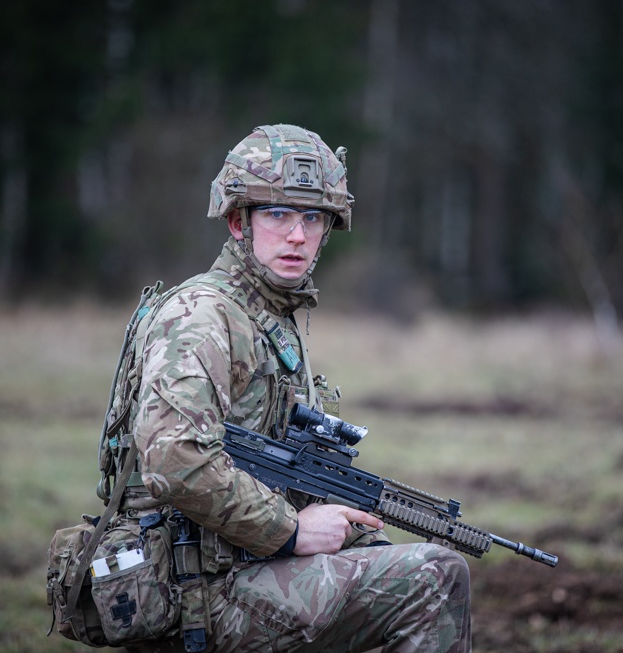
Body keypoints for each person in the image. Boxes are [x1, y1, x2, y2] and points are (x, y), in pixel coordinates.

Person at [117, 124, 471, 653]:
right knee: (435, 577)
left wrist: (349, 527)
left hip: (245, 568)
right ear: (239, 221)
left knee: (385, 556)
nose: (298, 235)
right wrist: (292, 530)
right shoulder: (202, 317)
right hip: (197, 592)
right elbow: (173, 460)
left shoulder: (268, 318)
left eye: (312, 217)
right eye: (278, 214)